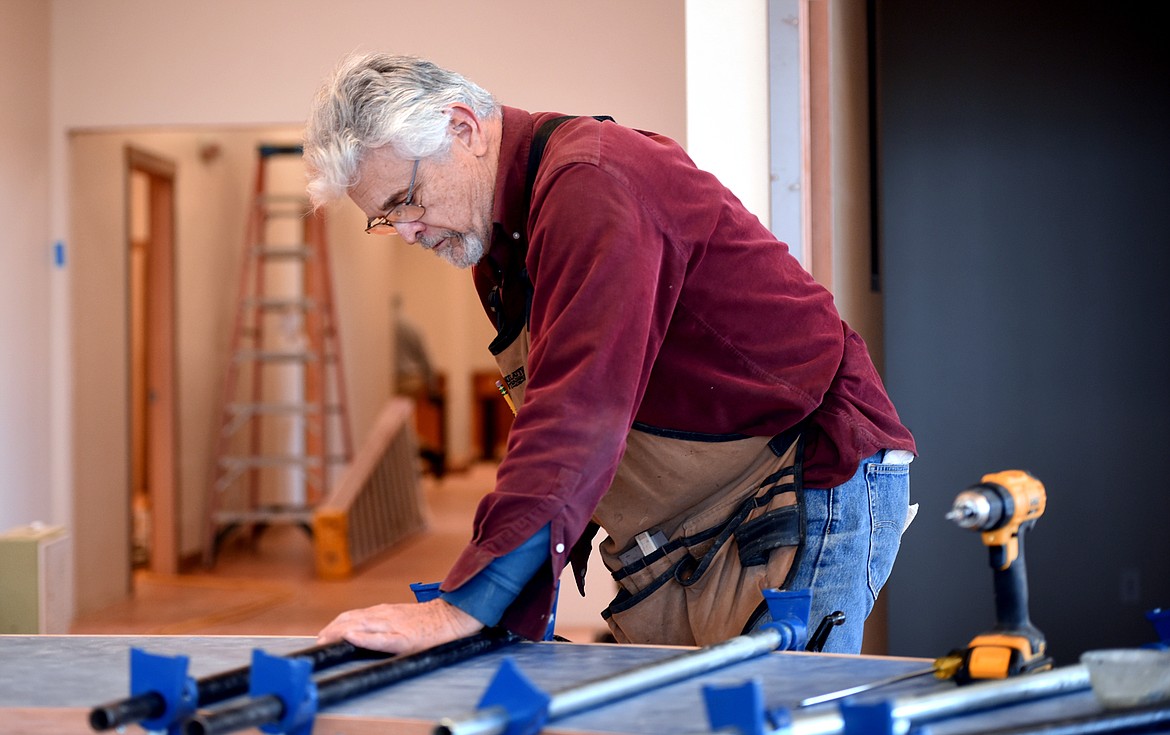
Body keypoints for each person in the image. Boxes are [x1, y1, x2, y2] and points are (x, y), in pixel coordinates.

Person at [305, 53, 917, 657]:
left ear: (463, 128)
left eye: (404, 199)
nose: (407, 231)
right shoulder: (497, 248)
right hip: (678, 526)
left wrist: (467, 603)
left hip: (796, 477)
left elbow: (577, 410)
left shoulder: (592, 182)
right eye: (384, 219)